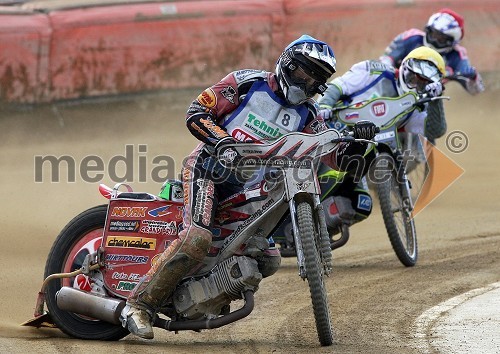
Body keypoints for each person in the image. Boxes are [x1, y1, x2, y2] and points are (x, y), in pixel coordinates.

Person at [119, 34, 378, 339]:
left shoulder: (309, 115)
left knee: (268, 259)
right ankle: (139, 305)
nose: (304, 83)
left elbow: (334, 156)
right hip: (208, 170)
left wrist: (359, 142)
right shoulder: (246, 82)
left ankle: (202, 297)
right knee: (196, 237)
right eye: (301, 73)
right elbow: (197, 112)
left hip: (248, 194)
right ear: (287, 64)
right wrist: (223, 141)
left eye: (313, 80)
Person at [315, 46, 446, 232]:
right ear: (405, 68)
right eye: (413, 78)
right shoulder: (373, 70)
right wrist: (324, 106)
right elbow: (338, 86)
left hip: (362, 150)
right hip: (332, 126)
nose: (415, 85)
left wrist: (436, 100)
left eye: (423, 84)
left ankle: (323, 227)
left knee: (362, 204)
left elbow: (435, 130)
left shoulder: (416, 105)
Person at [379, 8, 484, 96]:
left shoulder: (457, 55)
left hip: (426, 98)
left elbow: (475, 91)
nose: (434, 40)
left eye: (440, 38)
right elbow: (385, 60)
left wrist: (473, 77)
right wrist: (394, 73)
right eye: (433, 34)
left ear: (451, 41)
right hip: (393, 86)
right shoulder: (411, 37)